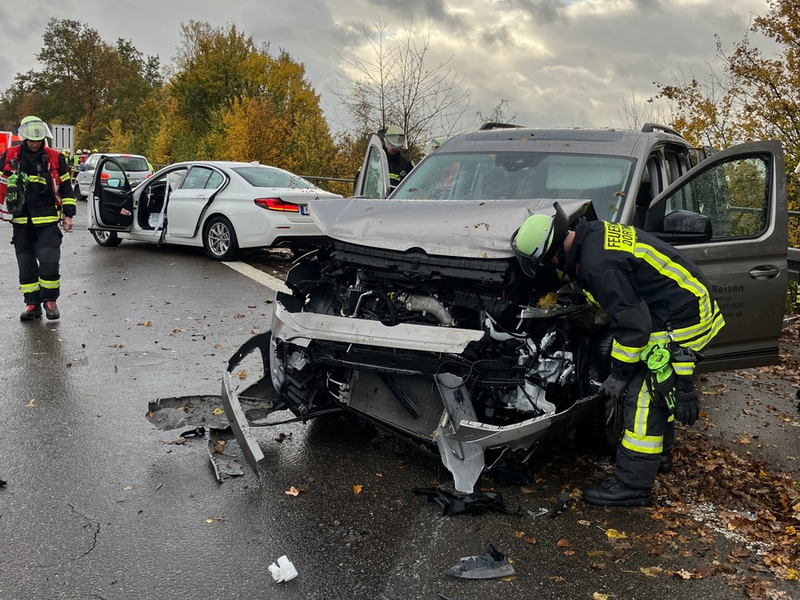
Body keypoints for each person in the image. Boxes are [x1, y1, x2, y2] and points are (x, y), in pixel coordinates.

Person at [511, 205, 725, 506]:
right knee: (656, 386)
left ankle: (632, 486)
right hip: (679, 304)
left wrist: (619, 374)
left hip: (683, 319)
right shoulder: (592, 234)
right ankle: (659, 458)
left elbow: (636, 327)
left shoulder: (596, 266)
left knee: (642, 397)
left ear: (554, 255)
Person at [0, 116, 76, 321]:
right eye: (32, 140)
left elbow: (66, 187)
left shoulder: (55, 158)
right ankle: (32, 305)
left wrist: (68, 214)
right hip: (21, 221)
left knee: (49, 262)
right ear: (24, 138)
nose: (35, 144)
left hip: (48, 220)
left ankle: (50, 302)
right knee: (26, 265)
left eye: (39, 140)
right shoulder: (9, 156)